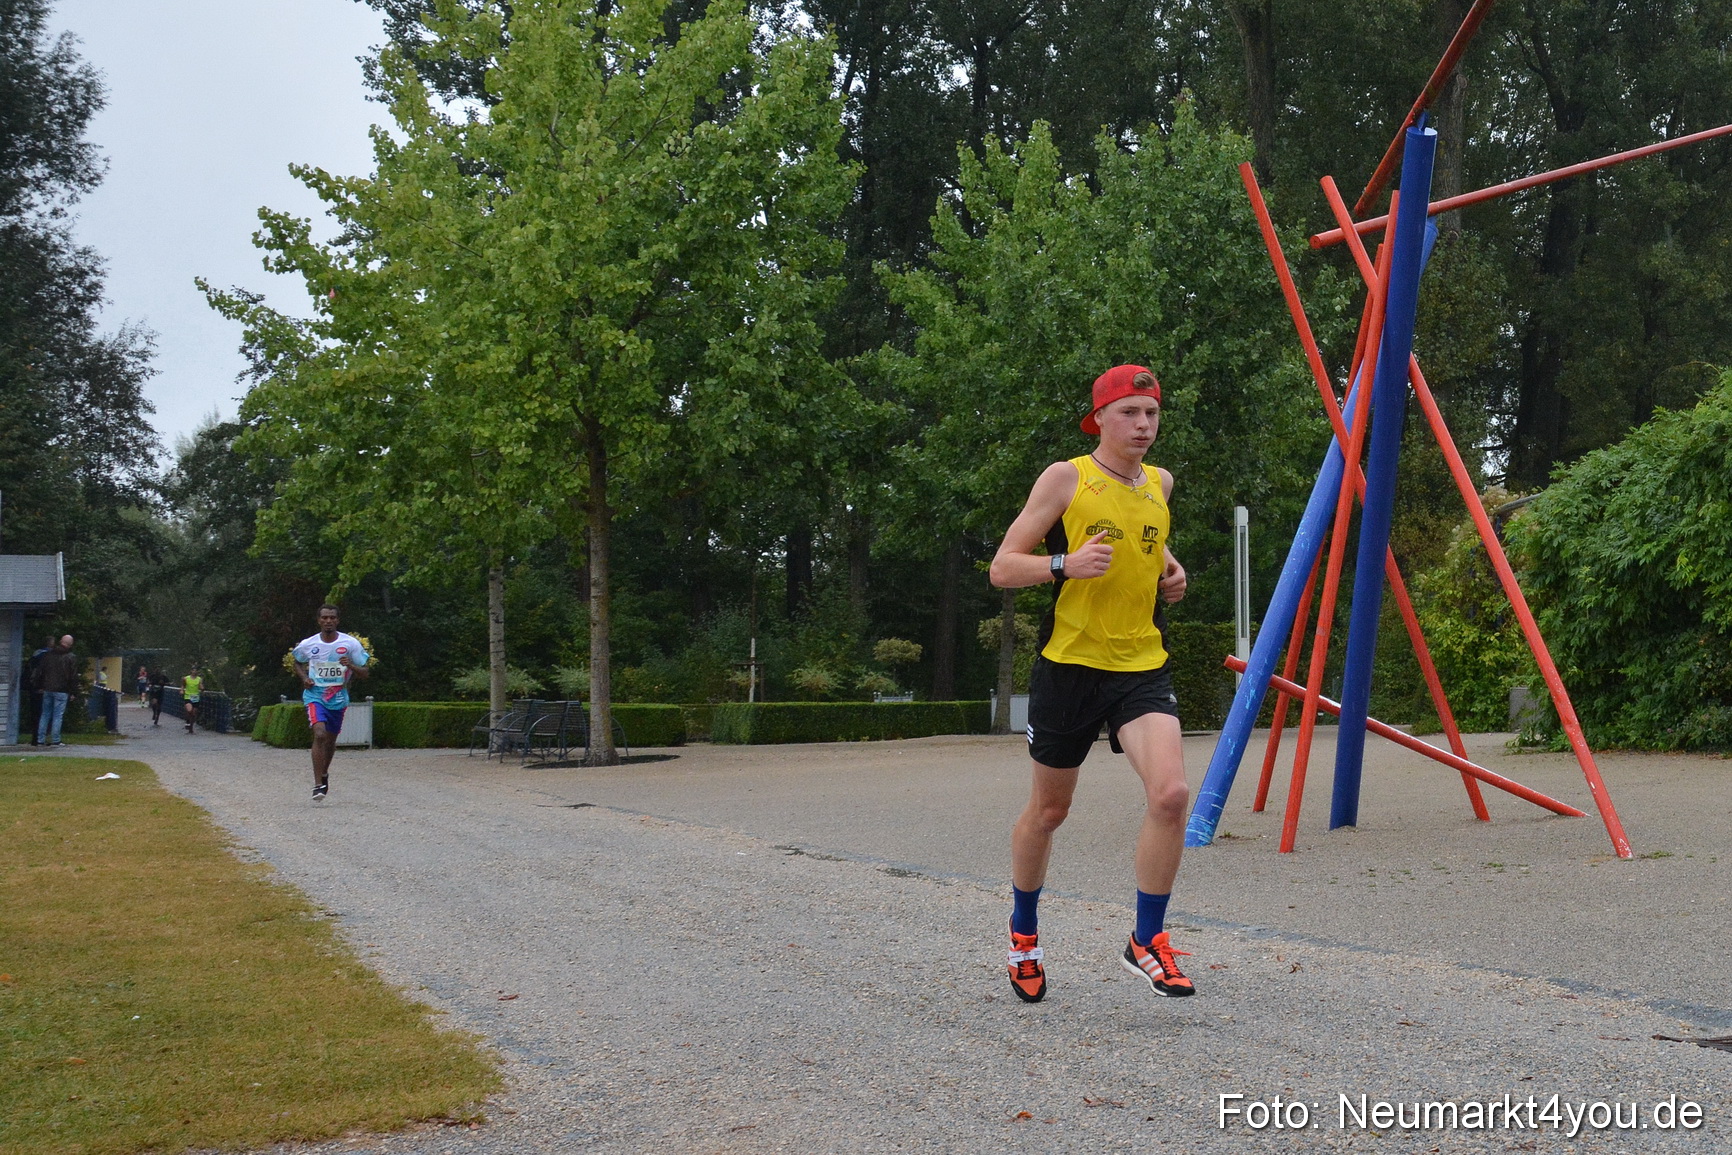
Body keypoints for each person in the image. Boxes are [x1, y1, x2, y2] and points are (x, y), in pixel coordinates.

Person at [988, 364, 1193, 1003]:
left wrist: (1172, 570)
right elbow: (1002, 568)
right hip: (1070, 667)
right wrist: (1064, 564)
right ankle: (1024, 935)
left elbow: (1144, 543)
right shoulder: (1066, 477)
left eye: (1151, 414)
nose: (1142, 425)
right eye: (1129, 412)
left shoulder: (1159, 483)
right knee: (1050, 811)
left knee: (1171, 795)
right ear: (1099, 418)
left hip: (1140, 664)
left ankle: (1146, 940)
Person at [292, 604, 369, 801]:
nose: (328, 621)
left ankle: (324, 773)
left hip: (338, 698)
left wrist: (350, 665)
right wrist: (304, 678)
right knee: (319, 734)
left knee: (330, 740)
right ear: (319, 620)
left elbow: (365, 672)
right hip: (315, 696)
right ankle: (318, 785)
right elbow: (296, 661)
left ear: (337, 620)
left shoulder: (350, 644)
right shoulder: (309, 644)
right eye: (324, 618)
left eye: (332, 618)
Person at [34, 635, 77, 747]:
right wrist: (73, 692)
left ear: (60, 641)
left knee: (45, 714)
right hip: (62, 690)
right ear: (70, 644)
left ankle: (40, 740)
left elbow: (40, 671)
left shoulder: (48, 655)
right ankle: (55, 740)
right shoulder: (70, 657)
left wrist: (39, 686)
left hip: (48, 688)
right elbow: (72, 676)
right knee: (58, 716)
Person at [181, 666, 203, 733]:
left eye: (196, 670)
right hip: (188, 696)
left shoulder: (199, 679)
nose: (194, 672)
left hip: (196, 697)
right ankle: (187, 721)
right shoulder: (186, 678)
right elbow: (183, 685)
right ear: (191, 671)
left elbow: (200, 686)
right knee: (189, 710)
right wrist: (181, 690)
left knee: (194, 713)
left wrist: (202, 688)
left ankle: (191, 728)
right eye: (193, 670)